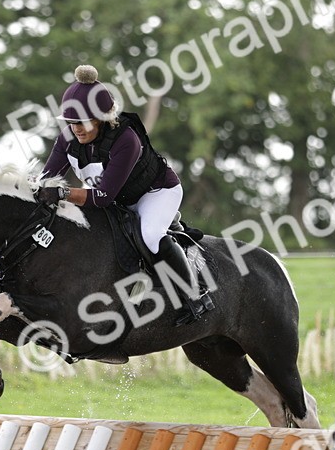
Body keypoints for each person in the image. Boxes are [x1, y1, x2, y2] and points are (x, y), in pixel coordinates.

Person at [35, 64, 212, 324]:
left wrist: (62, 192)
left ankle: (196, 296)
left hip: (155, 193)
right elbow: (45, 180)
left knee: (150, 235)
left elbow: (102, 197)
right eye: (71, 123)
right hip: (117, 201)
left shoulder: (126, 139)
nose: (76, 129)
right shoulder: (67, 140)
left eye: (82, 122)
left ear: (101, 118)